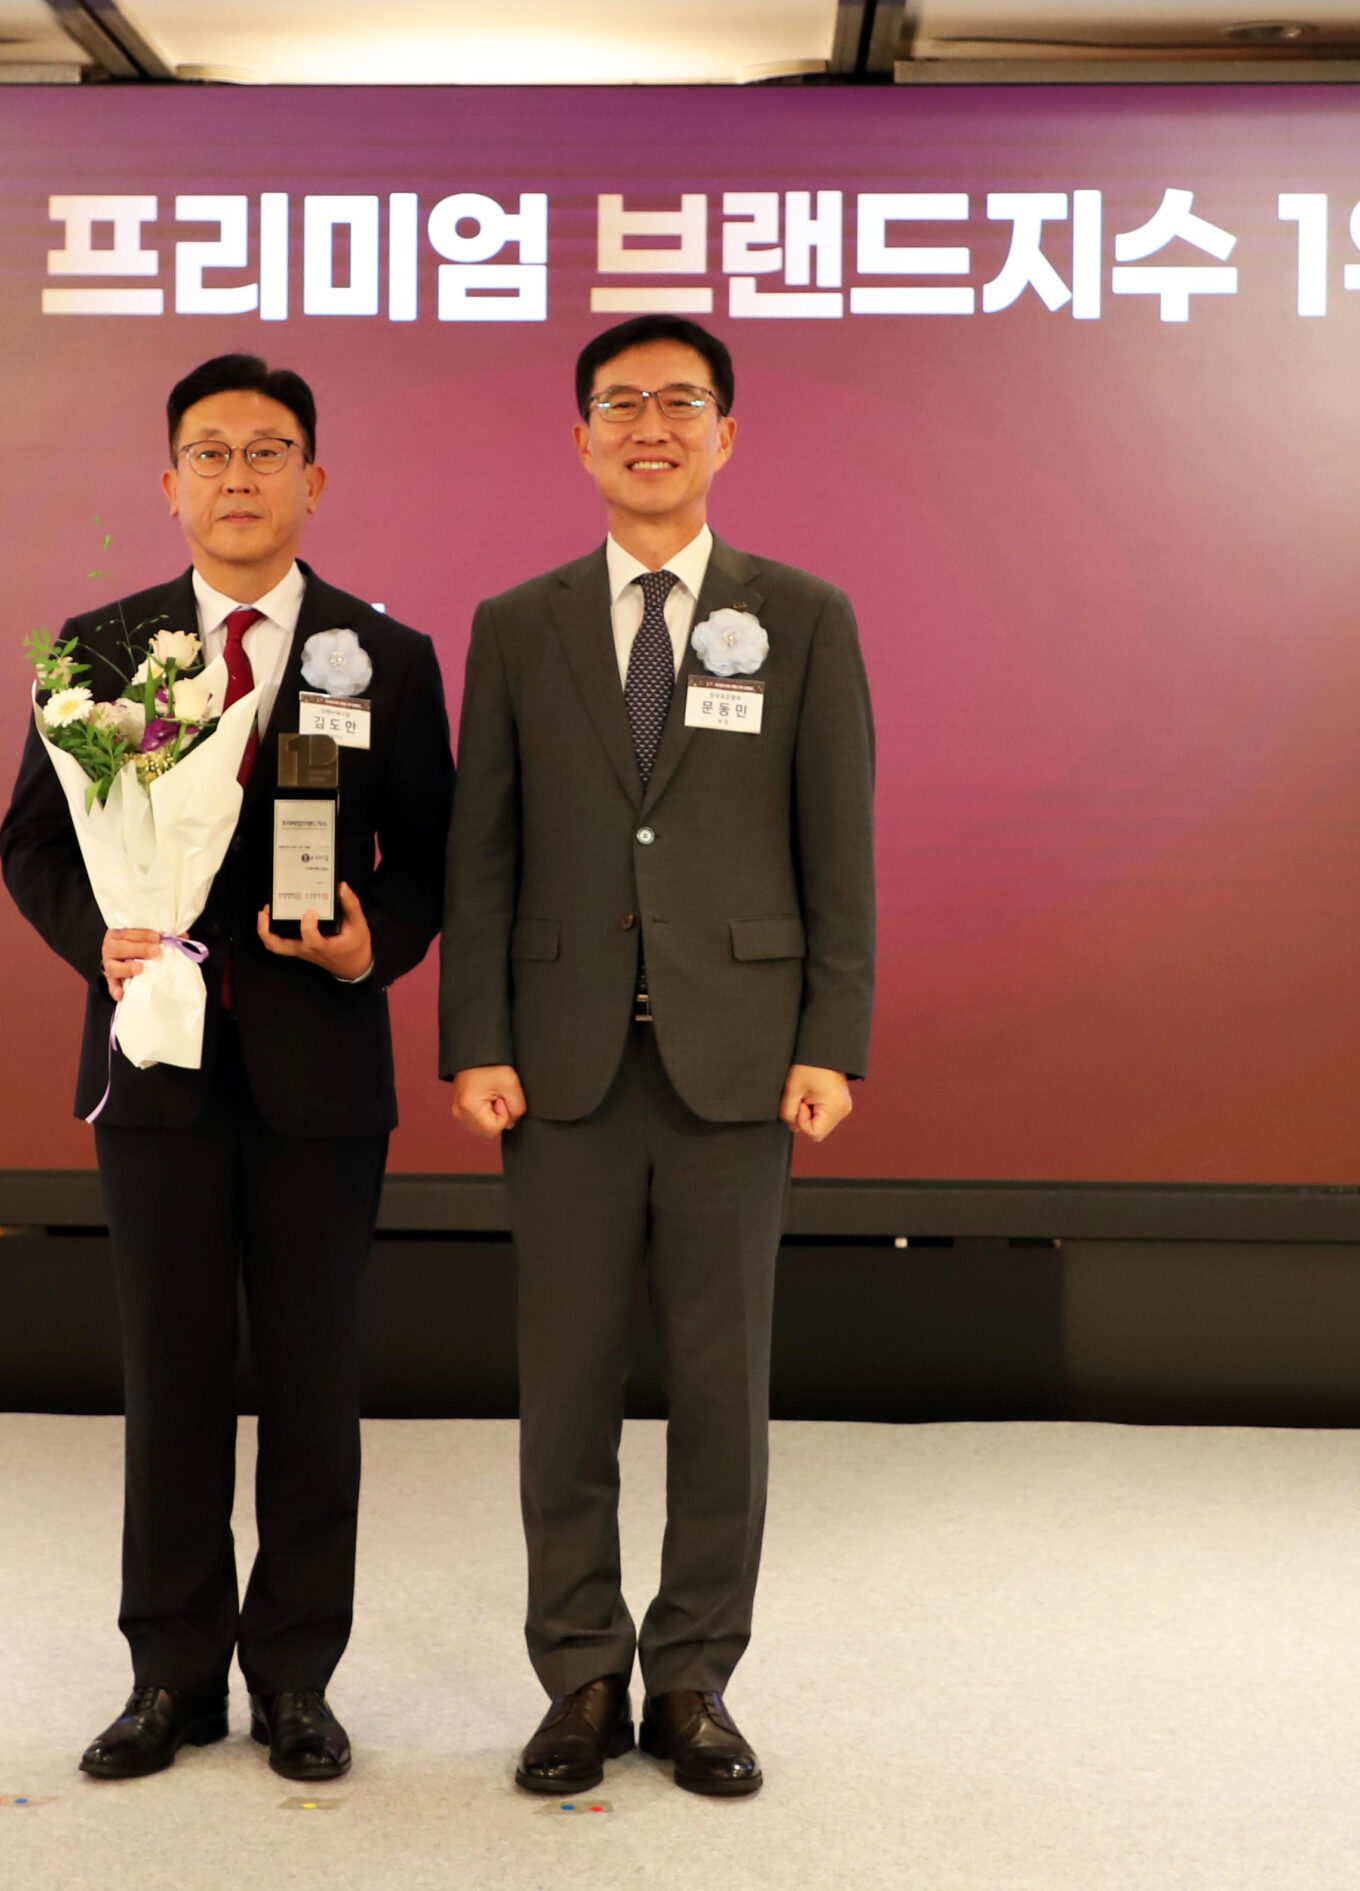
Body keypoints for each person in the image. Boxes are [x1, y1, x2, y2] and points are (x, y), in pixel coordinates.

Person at [0, 353, 454, 1784]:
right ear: (170, 482)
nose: (238, 476)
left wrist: (374, 944)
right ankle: (170, 1675)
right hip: (158, 1070)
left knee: (314, 1385)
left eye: (267, 452)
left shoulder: (387, 655)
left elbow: (433, 856)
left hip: (325, 1074)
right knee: (173, 1378)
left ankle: (298, 1679)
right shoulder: (101, 649)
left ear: (314, 480)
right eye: (211, 452)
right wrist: (98, 941)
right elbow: (32, 841)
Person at [440, 315, 876, 1798]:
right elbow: (482, 854)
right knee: (563, 1391)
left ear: (725, 434)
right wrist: (476, 1036)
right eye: (620, 403)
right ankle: (578, 1673)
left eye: (680, 402)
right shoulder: (518, 623)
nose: (650, 426)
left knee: (721, 1390)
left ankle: (694, 1679)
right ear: (580, 439)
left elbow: (839, 849)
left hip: (739, 1063)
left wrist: (834, 1041)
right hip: (558, 1069)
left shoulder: (802, 614)